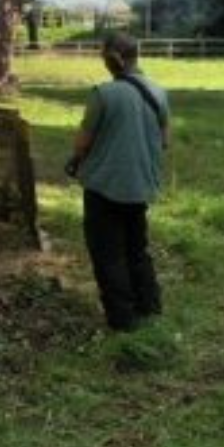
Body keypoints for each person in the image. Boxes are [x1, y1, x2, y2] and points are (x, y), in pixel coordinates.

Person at [66, 32, 170, 332]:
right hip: (140, 187)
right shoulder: (158, 92)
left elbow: (82, 144)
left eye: (103, 56)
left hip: (104, 188)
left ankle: (123, 320)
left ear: (113, 58)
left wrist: (81, 158)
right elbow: (165, 140)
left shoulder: (103, 94)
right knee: (137, 249)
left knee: (108, 254)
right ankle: (149, 306)